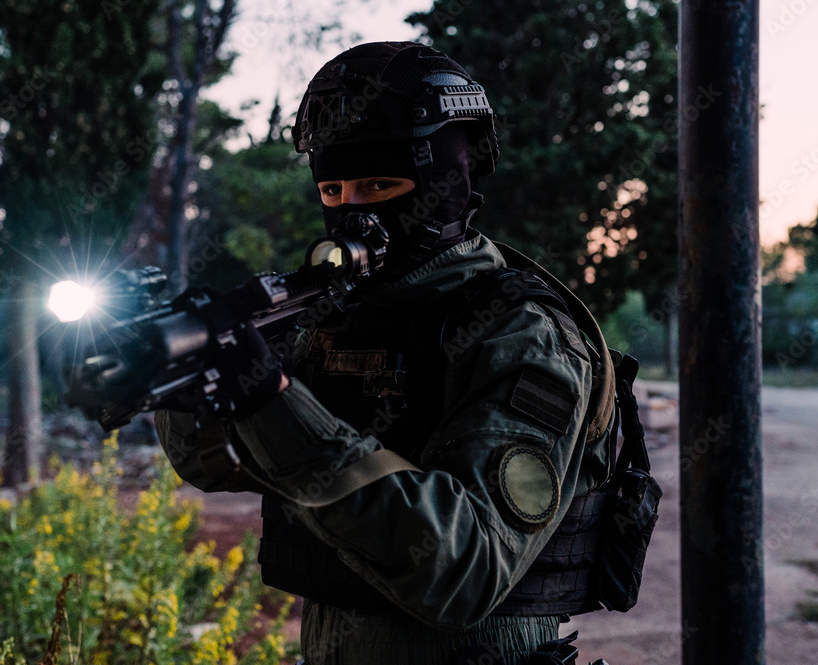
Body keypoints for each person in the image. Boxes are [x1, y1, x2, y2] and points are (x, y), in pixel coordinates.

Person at [155, 41, 618, 665]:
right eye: (334, 190)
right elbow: (218, 465)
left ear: (450, 187)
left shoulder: (523, 334)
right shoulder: (332, 315)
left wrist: (271, 397)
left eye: (380, 184)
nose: (353, 212)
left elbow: (465, 569)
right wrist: (186, 385)